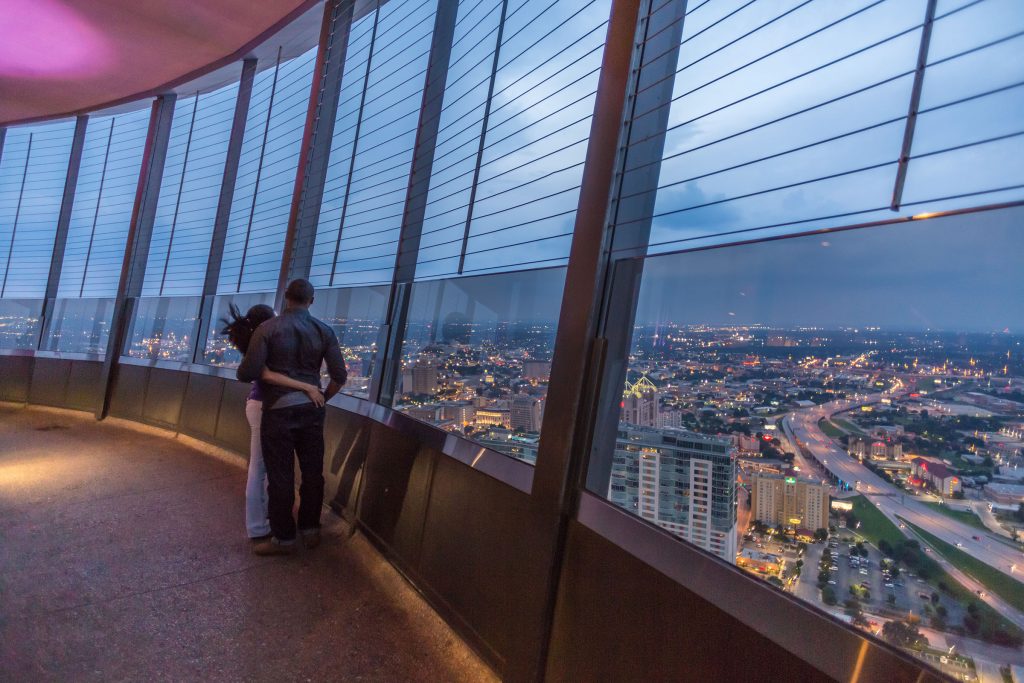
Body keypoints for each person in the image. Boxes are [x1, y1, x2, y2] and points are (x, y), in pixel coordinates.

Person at [237, 279, 347, 555]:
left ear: (286, 298)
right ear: (312, 300)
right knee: (312, 472)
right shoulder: (324, 331)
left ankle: (284, 537)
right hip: (311, 411)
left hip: (277, 411)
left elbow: (246, 373)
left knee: (280, 474)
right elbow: (339, 376)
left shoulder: (267, 329)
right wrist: (320, 398)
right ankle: (310, 529)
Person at [221, 304, 325, 546]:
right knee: (259, 468)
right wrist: (307, 387)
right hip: (263, 406)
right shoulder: (262, 343)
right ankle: (257, 527)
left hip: (264, 406)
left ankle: (268, 518)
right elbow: (267, 375)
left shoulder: (259, 341)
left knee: (267, 468)